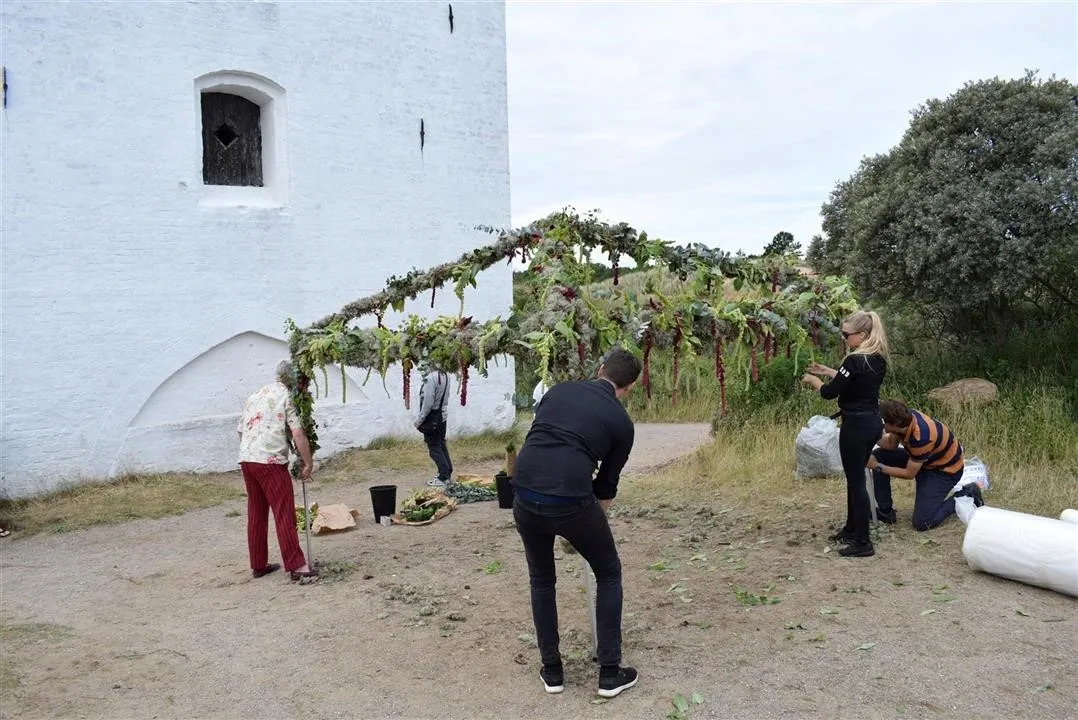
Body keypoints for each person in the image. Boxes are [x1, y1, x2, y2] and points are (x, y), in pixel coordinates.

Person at [512, 348, 642, 699]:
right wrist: (587, 526)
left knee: (542, 579)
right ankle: (610, 673)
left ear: (600, 370)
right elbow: (605, 489)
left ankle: (552, 671)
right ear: (629, 387)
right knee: (609, 571)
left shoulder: (559, 390)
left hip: (522, 491)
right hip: (571, 498)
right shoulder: (621, 423)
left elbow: (540, 437)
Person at [801, 310, 890, 558]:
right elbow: (853, 381)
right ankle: (852, 529)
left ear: (861, 335)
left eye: (846, 334)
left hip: (855, 426)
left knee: (855, 483)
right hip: (872, 423)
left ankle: (863, 542)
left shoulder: (854, 360)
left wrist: (813, 380)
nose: (843, 338)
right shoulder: (876, 358)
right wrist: (830, 371)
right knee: (856, 479)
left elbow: (830, 393)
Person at [237, 360, 318, 583]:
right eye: (305, 383)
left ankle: (258, 564)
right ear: (298, 381)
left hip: (247, 459)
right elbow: (298, 433)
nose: (306, 388)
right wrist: (308, 462)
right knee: (284, 512)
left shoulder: (256, 394)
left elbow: (240, 430)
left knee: (257, 511)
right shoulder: (289, 397)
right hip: (270, 461)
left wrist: (251, 451)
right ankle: (296, 565)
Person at [869, 399, 982, 530]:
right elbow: (890, 444)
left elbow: (909, 473)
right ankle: (885, 512)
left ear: (893, 424)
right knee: (880, 456)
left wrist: (876, 466)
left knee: (923, 523)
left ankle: (968, 494)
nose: (880, 425)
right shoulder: (903, 420)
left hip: (944, 471)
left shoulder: (921, 437)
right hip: (925, 461)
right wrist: (871, 434)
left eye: (882, 422)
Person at [414, 362, 453, 487]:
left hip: (433, 417)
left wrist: (420, 420)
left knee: (434, 448)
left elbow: (428, 402)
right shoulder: (446, 375)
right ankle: (447, 472)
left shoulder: (431, 378)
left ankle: (443, 476)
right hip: (442, 416)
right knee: (441, 444)